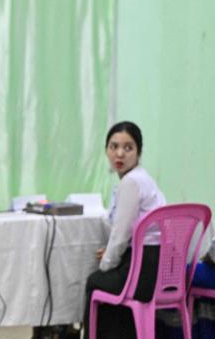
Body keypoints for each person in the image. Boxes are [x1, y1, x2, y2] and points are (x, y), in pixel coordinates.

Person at [84, 121, 166, 339]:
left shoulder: (131, 182)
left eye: (128, 147)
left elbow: (120, 236)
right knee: (110, 276)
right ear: (106, 150)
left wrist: (106, 264)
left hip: (143, 273)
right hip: (158, 269)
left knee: (96, 280)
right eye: (113, 146)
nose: (119, 153)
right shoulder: (145, 180)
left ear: (139, 152)